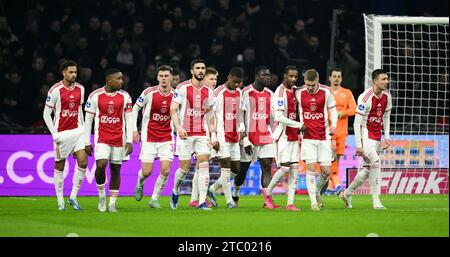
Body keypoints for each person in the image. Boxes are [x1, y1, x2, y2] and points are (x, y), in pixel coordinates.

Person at [338, 69, 392, 209]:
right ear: (375, 81)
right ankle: (376, 201)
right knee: (375, 162)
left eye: (387, 79)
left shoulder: (387, 97)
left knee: (368, 169)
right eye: (383, 79)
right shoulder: (365, 97)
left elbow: (385, 117)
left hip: (377, 137)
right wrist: (359, 145)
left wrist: (387, 137)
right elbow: (357, 123)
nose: (387, 81)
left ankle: (347, 193)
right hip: (366, 137)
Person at [84, 68, 133, 212]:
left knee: (116, 169)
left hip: (119, 138)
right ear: (109, 80)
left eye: (122, 78)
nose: (121, 81)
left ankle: (112, 203)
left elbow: (129, 120)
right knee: (101, 164)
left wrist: (129, 140)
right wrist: (86, 142)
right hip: (102, 138)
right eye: (118, 79)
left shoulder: (125, 96)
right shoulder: (95, 96)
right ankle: (101, 197)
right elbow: (88, 121)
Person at [170, 59, 216, 211]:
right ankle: (176, 189)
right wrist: (178, 128)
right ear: (192, 71)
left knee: (204, 164)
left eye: (203, 68)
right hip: (185, 133)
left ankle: (202, 201)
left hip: (202, 134)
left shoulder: (208, 91)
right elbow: (173, 109)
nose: (201, 70)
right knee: (184, 169)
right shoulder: (182, 88)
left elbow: (210, 113)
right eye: (198, 68)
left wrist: (213, 134)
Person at [43, 60, 87, 211]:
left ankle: (73, 196)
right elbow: (46, 114)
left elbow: (79, 111)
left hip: (78, 131)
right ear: (63, 72)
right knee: (59, 166)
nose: (74, 75)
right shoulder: (55, 90)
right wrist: (54, 134)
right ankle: (60, 201)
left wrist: (84, 130)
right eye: (70, 72)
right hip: (62, 133)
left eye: (75, 72)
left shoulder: (81, 89)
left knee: (83, 162)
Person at [132, 65, 174, 208]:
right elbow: (135, 108)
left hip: (167, 137)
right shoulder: (149, 92)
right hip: (149, 137)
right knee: (147, 171)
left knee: (166, 170)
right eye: (161, 76)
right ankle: (140, 182)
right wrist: (133, 130)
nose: (163, 78)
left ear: (171, 78)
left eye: (166, 76)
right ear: (157, 78)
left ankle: (154, 199)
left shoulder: (176, 95)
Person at [233, 66, 275, 208]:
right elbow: (240, 114)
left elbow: (273, 116)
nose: (268, 77)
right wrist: (243, 135)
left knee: (267, 166)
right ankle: (236, 191)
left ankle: (267, 200)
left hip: (266, 137)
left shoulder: (270, 94)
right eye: (265, 75)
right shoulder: (245, 92)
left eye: (269, 75)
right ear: (257, 76)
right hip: (249, 138)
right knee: (243, 169)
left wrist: (274, 133)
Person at [265, 65, 306, 211]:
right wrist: (299, 125)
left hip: (294, 136)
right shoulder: (280, 93)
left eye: (295, 76)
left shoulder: (294, 90)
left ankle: (290, 203)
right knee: (285, 168)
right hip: (283, 136)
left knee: (294, 169)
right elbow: (279, 117)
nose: (293, 79)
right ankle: (267, 194)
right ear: (285, 76)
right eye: (291, 76)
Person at [295, 69, 337, 211]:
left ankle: (317, 192)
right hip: (307, 137)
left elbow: (333, 110)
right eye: (308, 84)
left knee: (326, 172)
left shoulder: (327, 92)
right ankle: (313, 201)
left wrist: (334, 125)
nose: (310, 87)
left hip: (324, 136)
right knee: (311, 168)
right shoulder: (299, 92)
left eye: (313, 85)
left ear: (318, 80)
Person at [206, 67, 244, 208]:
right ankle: (229, 201)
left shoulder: (239, 92)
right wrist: (213, 136)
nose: (236, 85)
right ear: (228, 77)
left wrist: (242, 130)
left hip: (234, 134)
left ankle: (213, 188)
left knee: (236, 169)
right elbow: (211, 116)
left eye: (239, 83)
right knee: (226, 167)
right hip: (221, 133)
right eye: (234, 82)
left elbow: (240, 113)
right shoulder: (218, 93)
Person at [189, 66, 218, 208]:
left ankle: (196, 199)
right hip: (197, 133)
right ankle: (197, 198)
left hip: (207, 133)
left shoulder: (211, 94)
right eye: (211, 78)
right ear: (204, 78)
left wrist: (214, 134)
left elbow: (213, 116)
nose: (214, 81)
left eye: (215, 79)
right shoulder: (194, 92)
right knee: (200, 166)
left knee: (200, 167)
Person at [324, 68, 356, 194]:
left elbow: (354, 109)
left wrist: (341, 113)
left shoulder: (347, 93)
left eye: (339, 76)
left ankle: (330, 187)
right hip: (328, 131)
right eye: (334, 76)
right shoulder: (325, 92)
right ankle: (336, 184)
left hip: (342, 131)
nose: (336, 78)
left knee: (336, 159)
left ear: (341, 79)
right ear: (330, 78)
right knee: (330, 158)